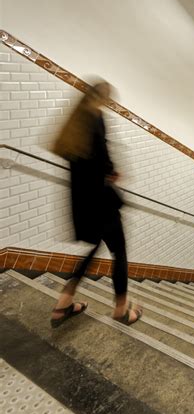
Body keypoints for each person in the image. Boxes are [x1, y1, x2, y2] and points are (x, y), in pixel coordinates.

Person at [51, 80, 142, 328]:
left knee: (93, 250)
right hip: (102, 202)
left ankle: (62, 305)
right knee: (119, 252)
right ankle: (121, 309)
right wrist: (113, 173)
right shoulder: (96, 118)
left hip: (82, 202)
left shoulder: (73, 124)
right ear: (102, 99)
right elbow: (103, 158)